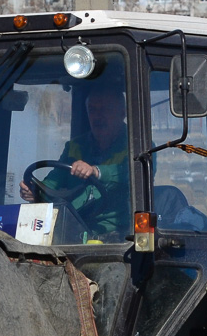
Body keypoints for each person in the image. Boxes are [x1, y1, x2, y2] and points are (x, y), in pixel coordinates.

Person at [20, 87, 130, 237]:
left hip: (117, 234)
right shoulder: (75, 147)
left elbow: (128, 174)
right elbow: (55, 181)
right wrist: (36, 191)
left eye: (105, 109)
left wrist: (96, 171)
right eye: (93, 110)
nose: (98, 116)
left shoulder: (136, 146)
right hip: (73, 227)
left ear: (122, 113)